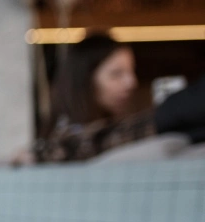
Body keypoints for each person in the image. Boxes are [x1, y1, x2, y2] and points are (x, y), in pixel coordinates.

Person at [33, 33, 205, 162]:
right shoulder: (67, 139)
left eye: (132, 72)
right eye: (116, 74)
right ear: (85, 81)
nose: (132, 82)